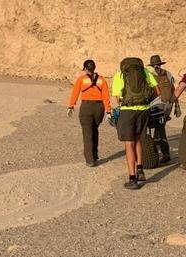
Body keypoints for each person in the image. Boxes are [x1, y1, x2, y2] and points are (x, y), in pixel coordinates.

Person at [111, 56, 160, 189]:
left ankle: (132, 179)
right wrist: (145, 101)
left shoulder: (119, 74)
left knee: (129, 143)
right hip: (144, 110)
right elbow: (158, 91)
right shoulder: (145, 72)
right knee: (138, 139)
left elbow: (117, 97)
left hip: (128, 110)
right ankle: (140, 170)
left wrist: (125, 104)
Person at [66, 59, 112, 167]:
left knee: (87, 133)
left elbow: (75, 93)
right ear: (94, 68)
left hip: (86, 107)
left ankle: (90, 160)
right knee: (95, 130)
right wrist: (108, 111)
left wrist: (71, 106)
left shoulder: (81, 80)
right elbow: (106, 96)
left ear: (85, 69)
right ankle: (95, 156)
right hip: (99, 108)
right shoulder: (102, 80)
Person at [147, 55, 177, 164]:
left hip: (161, 107)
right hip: (160, 106)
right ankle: (163, 153)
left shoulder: (163, 74)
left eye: (157, 65)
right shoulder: (161, 75)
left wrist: (176, 105)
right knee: (160, 128)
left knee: (159, 129)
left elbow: (173, 89)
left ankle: (161, 154)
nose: (156, 67)